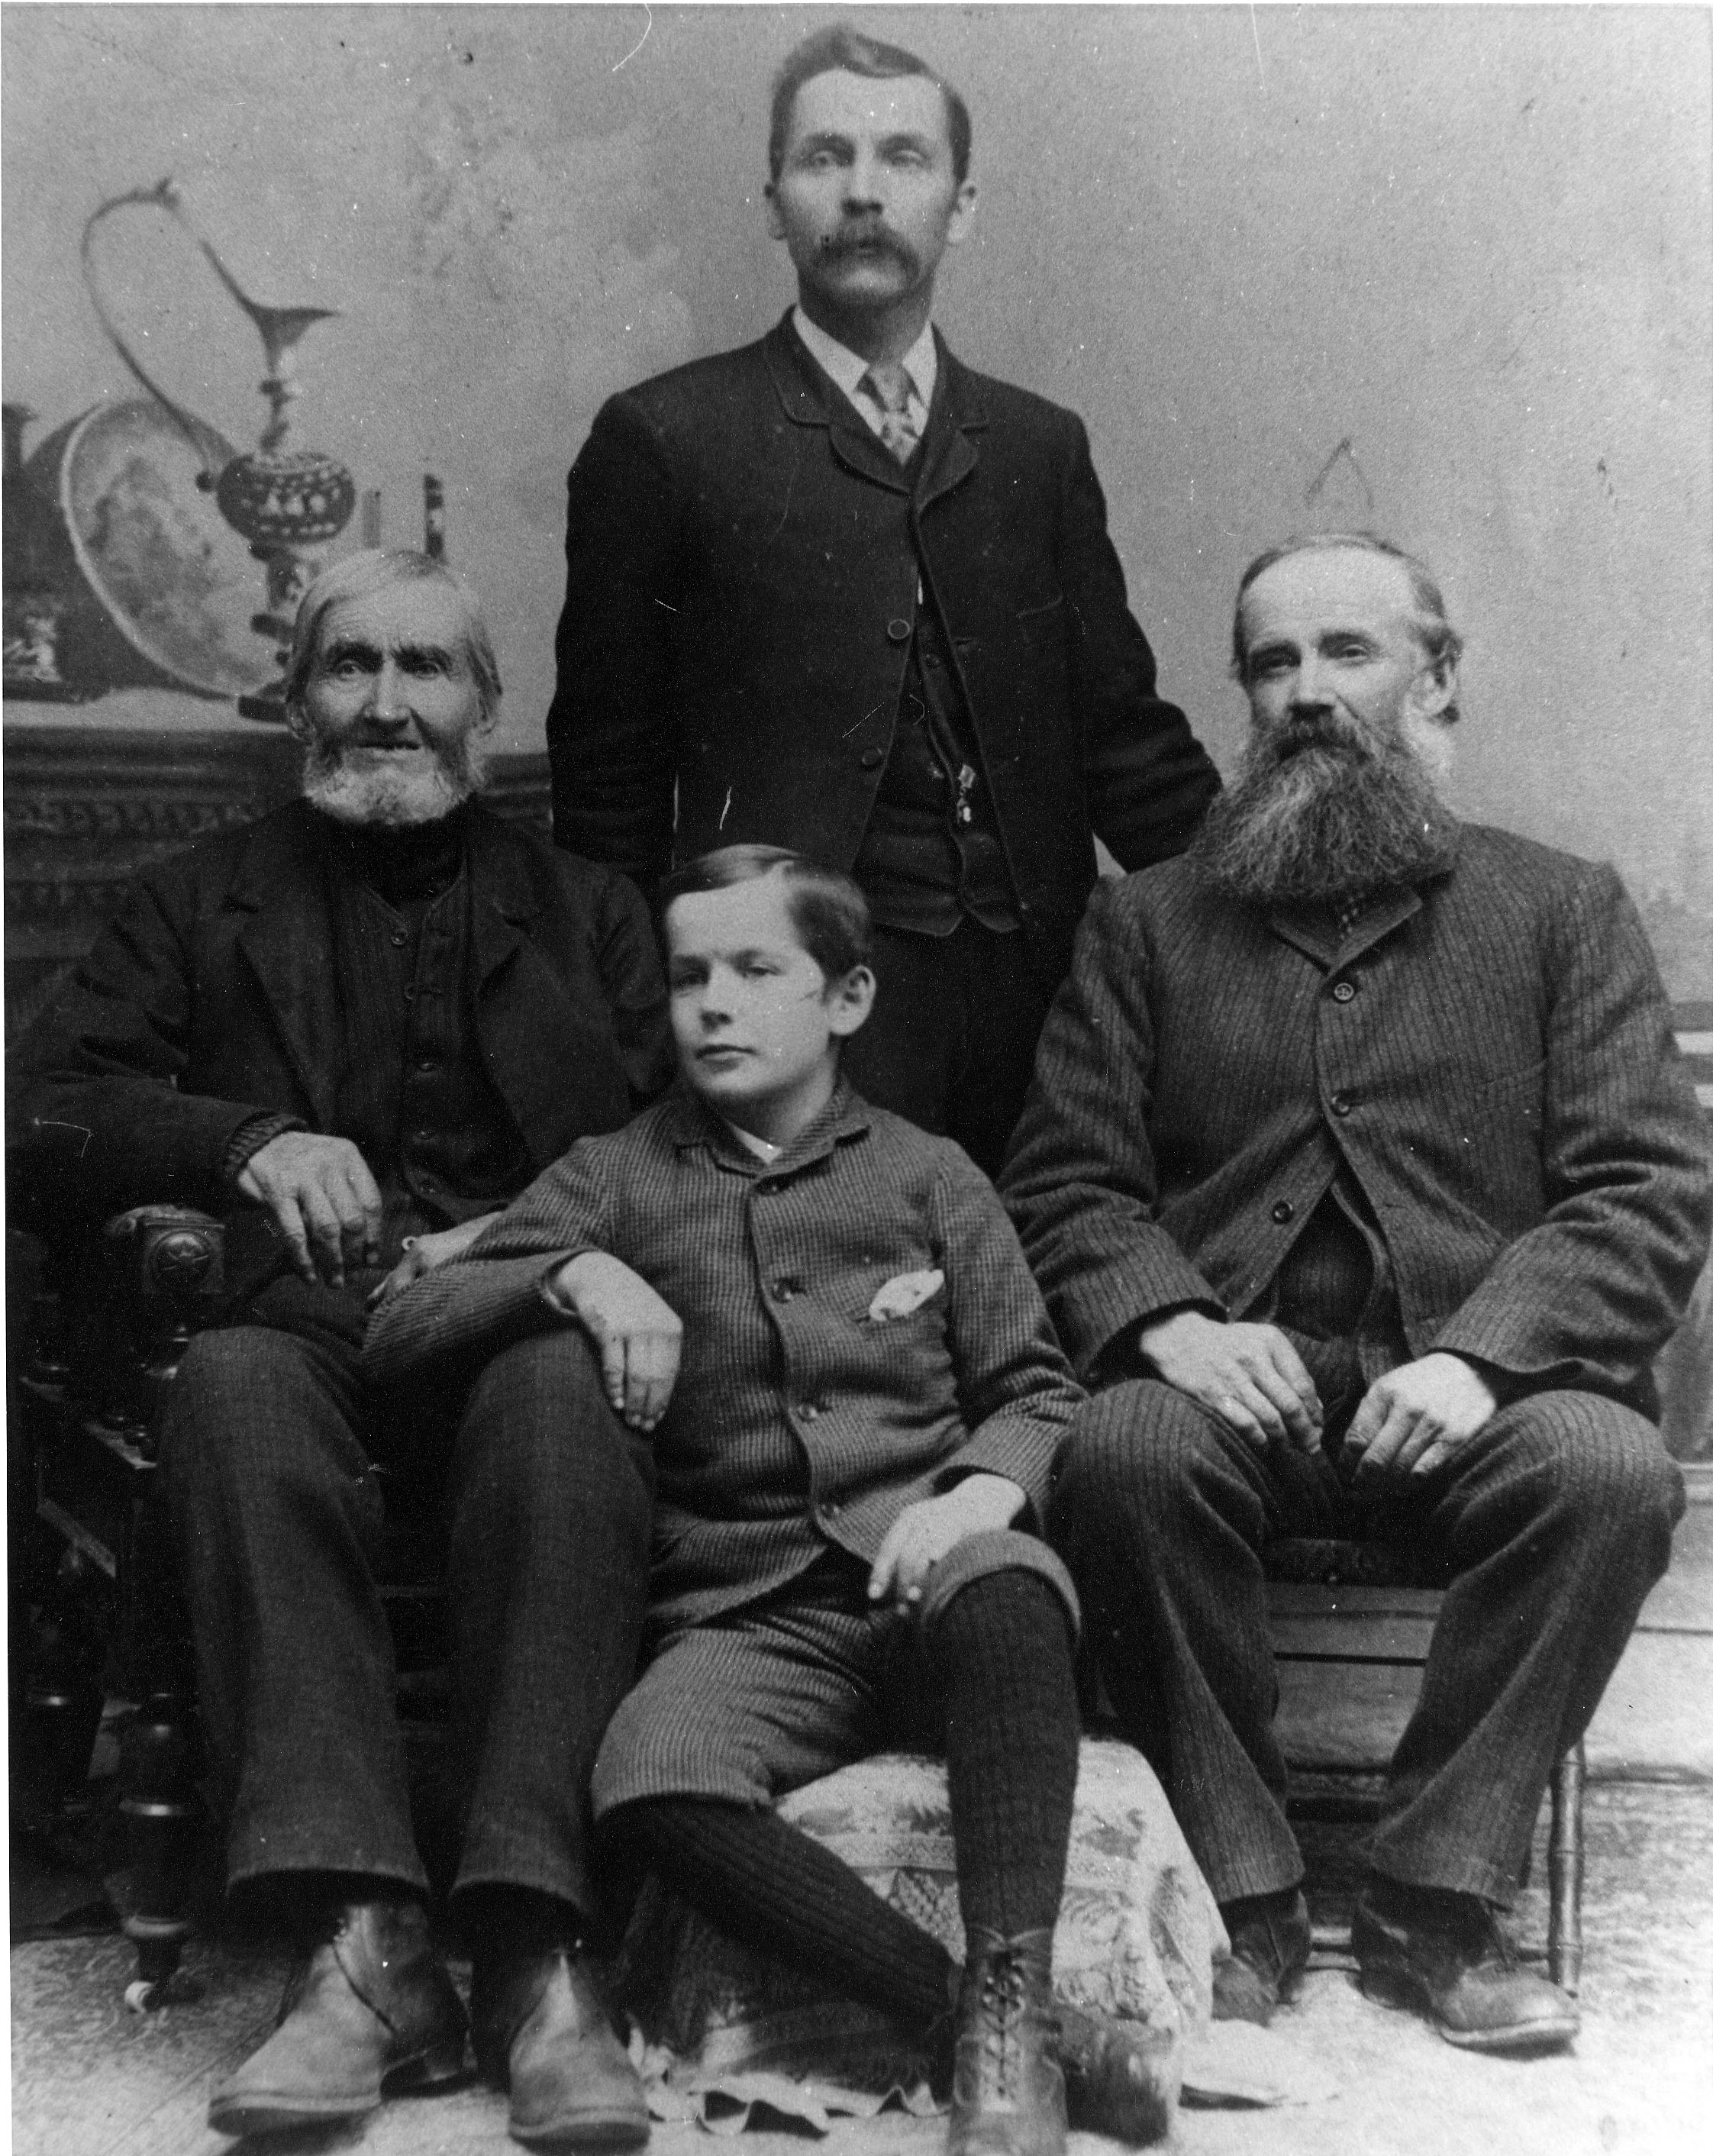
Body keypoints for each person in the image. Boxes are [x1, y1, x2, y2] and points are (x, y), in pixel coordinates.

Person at [1001, 534, 1711, 2057]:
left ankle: (1433, 1906)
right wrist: (1177, 1326)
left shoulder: (1559, 908)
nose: (1309, 691)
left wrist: (1485, 1357)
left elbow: (1647, 1188)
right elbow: (1062, 1183)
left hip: (1472, 1402)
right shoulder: (1150, 922)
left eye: (1350, 651)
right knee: (1121, 1452)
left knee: (1610, 1472)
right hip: (1234, 1396)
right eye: (1275, 662)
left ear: (1437, 676)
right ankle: (1239, 1895)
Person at [8, 550, 674, 2147]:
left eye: (425, 668)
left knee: (566, 1402)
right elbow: (41, 1109)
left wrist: (552, 1239)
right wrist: (243, 1141)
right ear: (293, 695)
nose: (386, 703)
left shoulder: (590, 911)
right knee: (234, 1391)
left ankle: (536, 1947)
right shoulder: (195, 898)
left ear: (486, 705)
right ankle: (365, 1943)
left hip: (514, 1306)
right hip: (292, 1317)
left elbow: (682, 1133)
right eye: (349, 664)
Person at [366, 845, 1176, 2156]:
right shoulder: (618, 1173)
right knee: (647, 1780)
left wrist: (974, 1496)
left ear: (847, 998)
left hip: (932, 1584)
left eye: (756, 971)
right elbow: (403, 1327)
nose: (714, 1006)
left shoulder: (931, 1175)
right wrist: (569, 1272)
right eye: (690, 977)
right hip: (749, 1618)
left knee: (1013, 1581)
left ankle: (1012, 1997)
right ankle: (993, 2027)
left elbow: (1038, 1389)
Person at [546, 25, 1219, 1176]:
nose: (863, 191)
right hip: (802, 1009)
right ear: (774, 202)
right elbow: (608, 790)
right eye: (824, 158)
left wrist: (1268, 911)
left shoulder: (1038, 446)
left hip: (1040, 1003)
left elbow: (1126, 743)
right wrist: (656, 1029)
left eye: (903, 157)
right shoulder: (664, 438)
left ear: (961, 205)